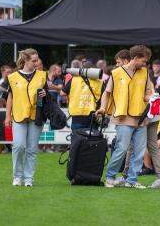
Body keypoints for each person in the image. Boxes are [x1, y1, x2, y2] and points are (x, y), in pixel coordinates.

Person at [96, 45, 152, 189]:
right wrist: (102, 108)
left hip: (141, 117)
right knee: (121, 149)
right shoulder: (116, 73)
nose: (145, 64)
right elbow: (107, 93)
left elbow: (147, 94)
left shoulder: (145, 73)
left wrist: (153, 98)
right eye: (144, 61)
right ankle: (109, 177)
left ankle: (131, 180)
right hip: (123, 117)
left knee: (139, 152)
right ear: (135, 58)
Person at [5, 48, 47, 187]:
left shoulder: (42, 75)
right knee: (18, 146)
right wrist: (7, 117)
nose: (37, 63)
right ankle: (17, 176)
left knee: (32, 149)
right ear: (25, 61)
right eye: (33, 60)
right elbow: (10, 97)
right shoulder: (12, 77)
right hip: (18, 116)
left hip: (36, 116)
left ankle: (28, 178)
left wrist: (45, 94)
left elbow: (47, 94)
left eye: (37, 60)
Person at [61, 61, 103, 130]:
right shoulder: (99, 82)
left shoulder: (74, 80)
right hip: (93, 118)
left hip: (77, 117)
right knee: (92, 140)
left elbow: (62, 93)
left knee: (78, 139)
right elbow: (105, 97)